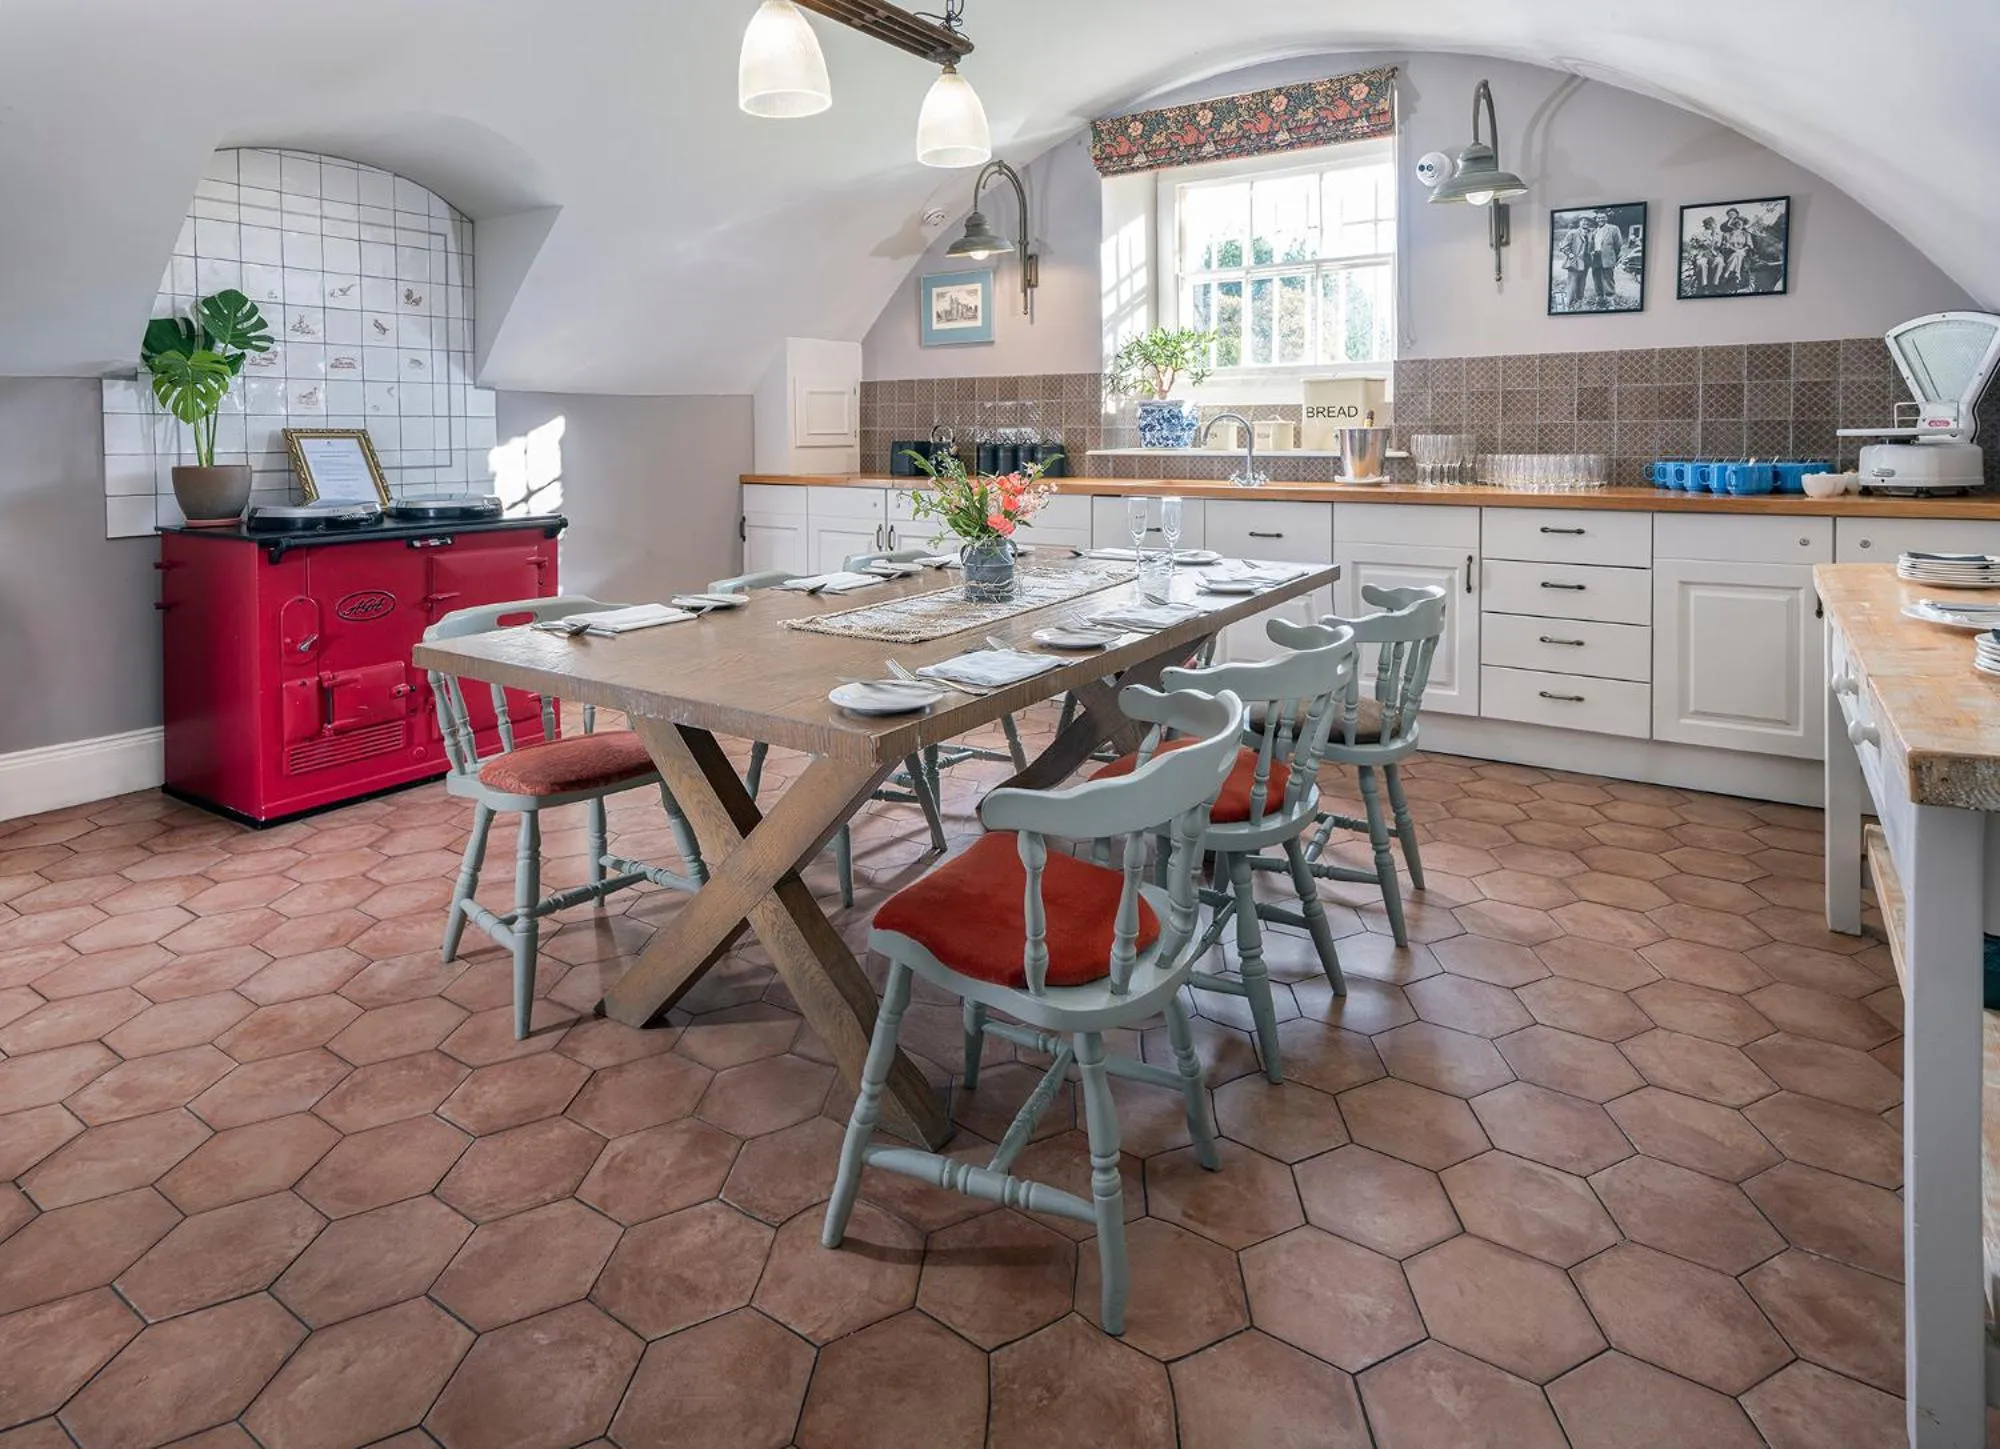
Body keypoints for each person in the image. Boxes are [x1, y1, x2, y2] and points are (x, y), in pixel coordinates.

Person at [1589, 212, 1625, 302]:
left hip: (1607, 257)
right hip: (1596, 257)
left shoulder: (1613, 228)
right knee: (1596, 277)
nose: (1601, 220)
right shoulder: (1594, 231)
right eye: (1599, 218)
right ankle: (1599, 297)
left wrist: (1613, 256)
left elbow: (1619, 244)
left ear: (1606, 219)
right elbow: (1591, 245)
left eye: (1603, 218)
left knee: (1608, 278)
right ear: (1596, 220)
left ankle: (1610, 298)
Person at [1556, 219, 1590, 309]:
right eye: (1583, 221)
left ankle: (1579, 302)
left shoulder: (1590, 234)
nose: (1585, 223)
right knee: (1572, 282)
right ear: (1579, 223)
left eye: (1587, 222)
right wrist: (1570, 254)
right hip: (1574, 262)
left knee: (1582, 282)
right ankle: (1569, 304)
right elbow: (1563, 246)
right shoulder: (1573, 233)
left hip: (1586, 262)